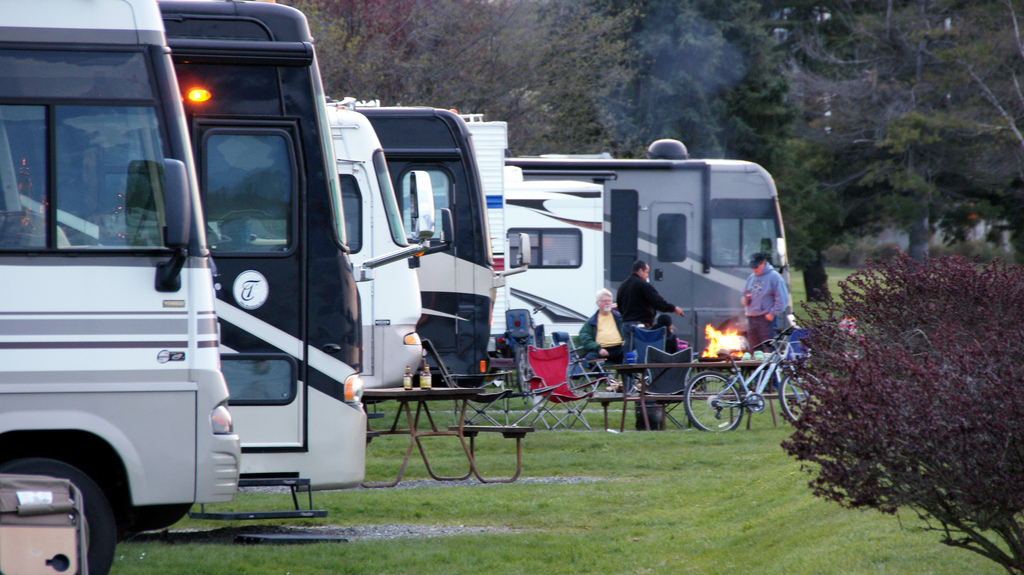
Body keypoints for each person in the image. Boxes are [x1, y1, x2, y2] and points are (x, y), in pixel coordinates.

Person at [616, 260, 683, 349]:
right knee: (642, 352)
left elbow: (619, 306)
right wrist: (673, 308)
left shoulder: (622, 286)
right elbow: (657, 302)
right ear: (640, 271)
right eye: (647, 272)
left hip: (626, 325)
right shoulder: (643, 285)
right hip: (640, 326)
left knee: (629, 353)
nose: (647, 275)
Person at [742, 252, 789, 353]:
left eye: (756, 267)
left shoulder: (774, 277)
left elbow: (782, 299)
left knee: (767, 350)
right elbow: (744, 293)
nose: (754, 269)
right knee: (753, 350)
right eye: (752, 267)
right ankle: (755, 368)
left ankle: (768, 368)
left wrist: (772, 314)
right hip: (751, 318)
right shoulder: (751, 278)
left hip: (766, 319)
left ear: (763, 263)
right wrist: (744, 300)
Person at [578, 288, 624, 368]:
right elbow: (585, 337)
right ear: (597, 303)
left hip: (619, 349)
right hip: (601, 350)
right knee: (589, 359)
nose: (608, 303)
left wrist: (626, 339)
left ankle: (629, 380)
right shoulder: (591, 322)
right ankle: (605, 379)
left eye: (609, 301)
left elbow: (629, 330)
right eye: (604, 301)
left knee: (630, 355)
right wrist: (598, 349)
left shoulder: (619, 318)